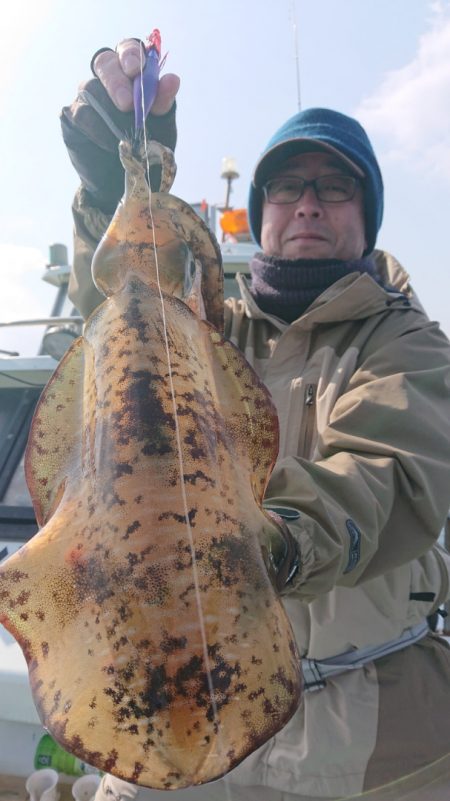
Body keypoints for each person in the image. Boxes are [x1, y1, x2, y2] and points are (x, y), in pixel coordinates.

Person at [61, 38, 450, 801]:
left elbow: (386, 473)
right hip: (180, 705)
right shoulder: (205, 333)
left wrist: (260, 543)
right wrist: (116, 186)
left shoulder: (408, 342)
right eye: (288, 187)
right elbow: (122, 323)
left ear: (366, 216)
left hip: (359, 746)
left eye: (336, 187)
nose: (309, 202)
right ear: (261, 210)